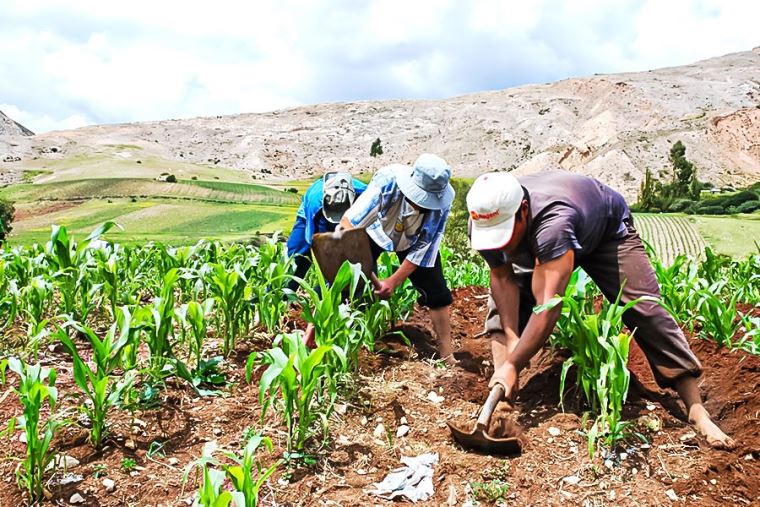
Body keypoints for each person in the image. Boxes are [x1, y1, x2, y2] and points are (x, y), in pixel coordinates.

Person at [466, 169, 734, 448]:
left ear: (523, 210)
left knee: (645, 308)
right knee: (501, 313)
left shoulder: (553, 223)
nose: (502, 243)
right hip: (547, 234)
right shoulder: (484, 219)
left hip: (605, 231)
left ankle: (696, 410)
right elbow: (501, 277)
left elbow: (547, 307)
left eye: (505, 233)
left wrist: (514, 363)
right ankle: (502, 404)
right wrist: (511, 342)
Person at [338, 153, 457, 365]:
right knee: (352, 286)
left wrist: (392, 282)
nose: (424, 205)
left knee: (437, 292)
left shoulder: (440, 203)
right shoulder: (387, 182)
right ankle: (356, 348)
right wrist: (367, 270)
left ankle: (447, 356)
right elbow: (348, 225)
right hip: (375, 231)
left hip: (413, 239)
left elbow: (425, 248)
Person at [286, 172, 367, 292]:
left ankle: (329, 296)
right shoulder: (315, 204)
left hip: (352, 219)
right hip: (312, 215)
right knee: (298, 258)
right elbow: (314, 241)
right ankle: (281, 296)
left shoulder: (365, 195)